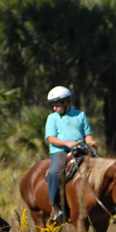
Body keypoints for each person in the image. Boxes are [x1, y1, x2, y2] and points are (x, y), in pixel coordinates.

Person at [44, 86, 97, 224]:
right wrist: (67, 143)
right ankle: (56, 207)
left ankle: (111, 204)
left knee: (102, 166)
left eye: (57, 105)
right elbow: (51, 138)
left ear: (66, 102)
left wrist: (91, 142)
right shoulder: (52, 118)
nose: (54, 108)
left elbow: (88, 135)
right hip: (60, 151)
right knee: (55, 172)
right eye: (53, 106)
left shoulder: (80, 115)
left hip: (81, 149)